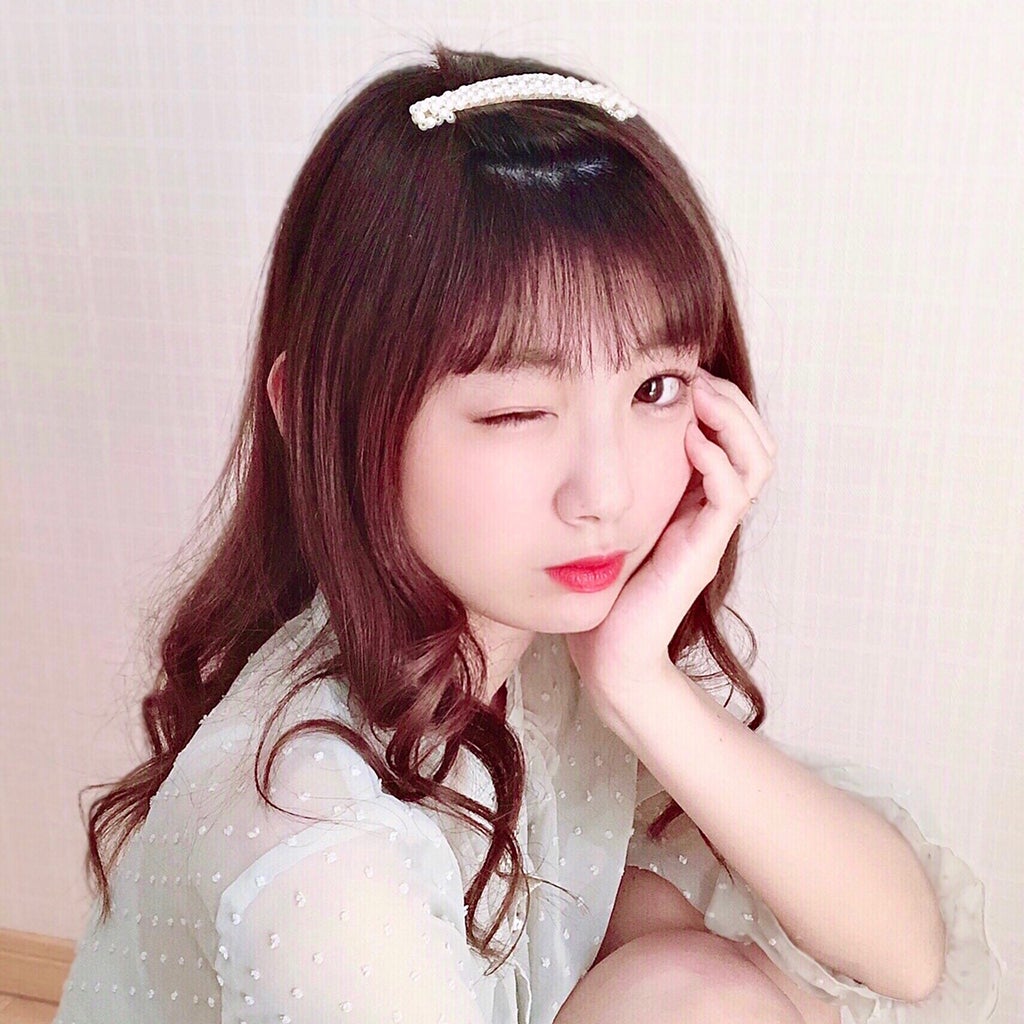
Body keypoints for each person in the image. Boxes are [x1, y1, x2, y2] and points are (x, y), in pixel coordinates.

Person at [55, 43, 1000, 1024]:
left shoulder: (521, 650)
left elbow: (905, 953)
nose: (606, 492)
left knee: (677, 952)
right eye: (516, 412)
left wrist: (636, 677)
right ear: (320, 413)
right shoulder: (320, 858)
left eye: (654, 387)